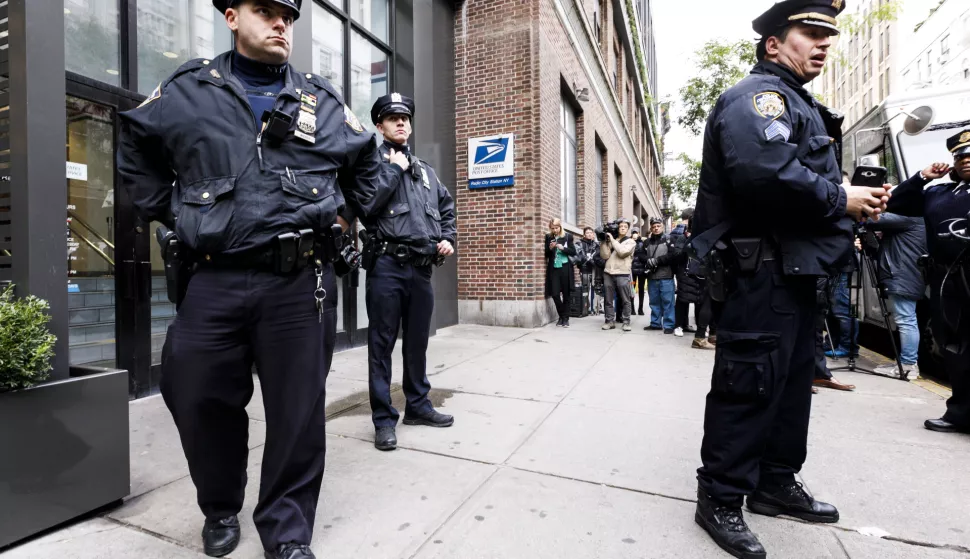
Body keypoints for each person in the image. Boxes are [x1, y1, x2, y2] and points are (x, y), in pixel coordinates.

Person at [116, 1, 402, 557]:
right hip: (213, 277)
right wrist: (176, 214)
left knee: (297, 413)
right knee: (195, 394)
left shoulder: (319, 97)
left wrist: (342, 218)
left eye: (288, 17)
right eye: (266, 11)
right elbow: (134, 148)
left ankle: (287, 532)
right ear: (231, 16)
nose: (281, 24)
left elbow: (368, 164)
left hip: (300, 282)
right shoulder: (189, 89)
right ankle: (220, 504)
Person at [689, 2, 893, 557]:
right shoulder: (758, 98)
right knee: (748, 386)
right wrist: (840, 198)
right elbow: (763, 174)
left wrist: (849, 206)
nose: (824, 43)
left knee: (791, 387)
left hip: (798, 274)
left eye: (829, 34)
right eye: (811, 32)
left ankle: (774, 483)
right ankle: (722, 496)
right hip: (762, 275)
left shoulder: (798, 103)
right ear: (773, 44)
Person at [356, 93, 457, 452]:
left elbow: (446, 208)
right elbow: (366, 205)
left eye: (405, 118)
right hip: (387, 266)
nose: (400, 122)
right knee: (381, 345)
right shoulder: (371, 163)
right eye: (392, 117)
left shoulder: (426, 172)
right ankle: (384, 420)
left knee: (417, 344)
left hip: (421, 269)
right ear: (379, 125)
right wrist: (394, 169)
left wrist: (447, 237)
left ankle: (417, 406)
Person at [885, 131, 970, 434]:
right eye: (961, 156)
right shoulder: (939, 193)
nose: (966, 159)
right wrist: (922, 176)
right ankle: (960, 413)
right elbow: (894, 203)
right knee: (954, 350)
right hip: (947, 282)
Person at [866, 212, 927, 378]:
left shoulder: (909, 217)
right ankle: (905, 363)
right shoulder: (915, 220)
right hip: (905, 275)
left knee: (906, 320)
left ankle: (908, 366)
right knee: (906, 320)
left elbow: (872, 219)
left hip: (902, 276)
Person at [640, 218, 678, 334]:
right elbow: (640, 255)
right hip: (652, 277)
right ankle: (655, 323)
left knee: (668, 302)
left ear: (662, 227)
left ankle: (669, 325)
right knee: (654, 302)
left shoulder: (669, 239)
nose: (656, 228)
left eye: (658, 226)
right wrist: (647, 260)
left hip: (666, 276)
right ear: (651, 228)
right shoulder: (646, 242)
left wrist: (657, 261)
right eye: (653, 226)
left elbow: (672, 255)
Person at [600, 219, 636, 331]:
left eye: (625, 226)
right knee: (608, 299)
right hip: (608, 272)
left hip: (623, 273)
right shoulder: (611, 240)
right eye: (621, 226)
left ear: (628, 229)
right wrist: (603, 242)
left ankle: (626, 322)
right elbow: (605, 256)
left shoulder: (631, 242)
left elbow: (622, 252)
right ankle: (609, 321)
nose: (623, 228)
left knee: (625, 299)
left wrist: (612, 240)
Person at [671, 209, 702, 337]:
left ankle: (700, 327)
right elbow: (677, 255)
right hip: (685, 272)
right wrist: (688, 242)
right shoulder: (682, 238)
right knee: (682, 300)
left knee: (699, 301)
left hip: (700, 273)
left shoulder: (702, 237)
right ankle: (679, 326)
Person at [544, 218, 577, 327]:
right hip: (554, 268)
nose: (555, 230)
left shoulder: (568, 236)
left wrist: (563, 248)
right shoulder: (549, 237)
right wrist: (550, 248)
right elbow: (546, 254)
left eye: (557, 228)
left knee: (566, 294)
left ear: (560, 226)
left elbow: (573, 252)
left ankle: (565, 319)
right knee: (555, 294)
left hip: (565, 267)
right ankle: (562, 315)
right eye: (553, 228)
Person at [576, 226, 600, 315]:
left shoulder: (596, 244)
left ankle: (594, 309)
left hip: (594, 270)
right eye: (587, 233)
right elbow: (580, 256)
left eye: (591, 232)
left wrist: (593, 261)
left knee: (595, 289)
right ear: (584, 234)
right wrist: (587, 259)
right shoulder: (580, 243)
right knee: (585, 289)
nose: (589, 234)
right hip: (584, 269)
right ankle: (585, 308)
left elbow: (598, 256)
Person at [631, 229, 647, 315]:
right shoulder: (629, 243)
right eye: (633, 233)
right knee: (632, 289)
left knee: (641, 289)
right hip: (632, 272)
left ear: (639, 234)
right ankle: (632, 308)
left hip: (641, 271)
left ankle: (640, 308)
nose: (635, 235)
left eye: (636, 233)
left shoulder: (643, 243)